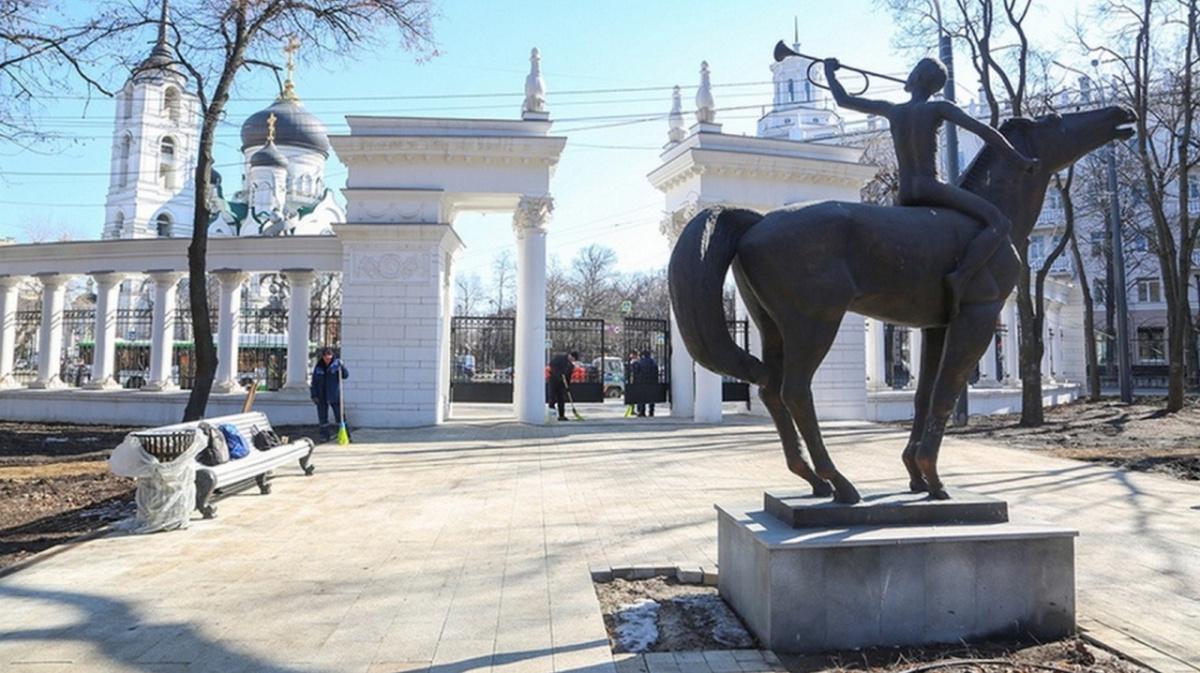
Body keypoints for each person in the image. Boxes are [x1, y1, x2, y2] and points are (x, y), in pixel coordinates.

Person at [825, 56, 1038, 318]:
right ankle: (961, 277)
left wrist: (829, 72)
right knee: (999, 222)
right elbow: (984, 132)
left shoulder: (893, 110)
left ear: (915, 78)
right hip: (930, 188)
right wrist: (1019, 160)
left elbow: (843, 100)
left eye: (912, 72)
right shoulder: (938, 108)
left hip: (905, 194)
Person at [310, 347, 349, 442]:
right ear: (323, 357)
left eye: (329, 358)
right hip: (321, 396)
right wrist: (314, 395)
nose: (328, 360)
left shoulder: (336, 366)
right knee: (323, 418)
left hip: (334, 395)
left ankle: (345, 435)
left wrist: (342, 367)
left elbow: (345, 375)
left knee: (340, 416)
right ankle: (324, 436)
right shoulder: (319, 367)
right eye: (326, 358)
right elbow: (314, 382)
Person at [547, 350, 577, 421]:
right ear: (570, 355)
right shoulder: (560, 358)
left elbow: (568, 376)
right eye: (572, 359)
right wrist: (559, 374)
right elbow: (552, 365)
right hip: (554, 381)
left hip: (562, 384)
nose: (572, 361)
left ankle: (561, 415)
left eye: (574, 360)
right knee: (552, 399)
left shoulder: (571, 366)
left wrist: (567, 386)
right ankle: (552, 416)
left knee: (561, 399)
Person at [633, 349, 659, 417]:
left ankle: (642, 412)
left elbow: (636, 371)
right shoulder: (653, 362)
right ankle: (651, 412)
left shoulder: (640, 362)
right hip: (652, 382)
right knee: (651, 398)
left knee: (642, 397)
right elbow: (656, 371)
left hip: (642, 382)